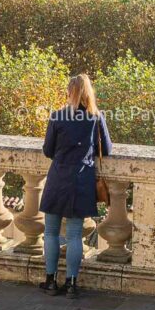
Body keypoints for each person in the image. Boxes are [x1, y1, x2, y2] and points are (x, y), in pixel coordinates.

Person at [38, 73, 111, 297]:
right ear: (89, 94)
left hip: (59, 177)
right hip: (82, 179)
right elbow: (106, 149)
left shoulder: (58, 116)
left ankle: (50, 281)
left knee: (50, 232)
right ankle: (71, 284)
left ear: (69, 92)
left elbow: (48, 150)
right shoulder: (96, 117)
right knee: (74, 235)